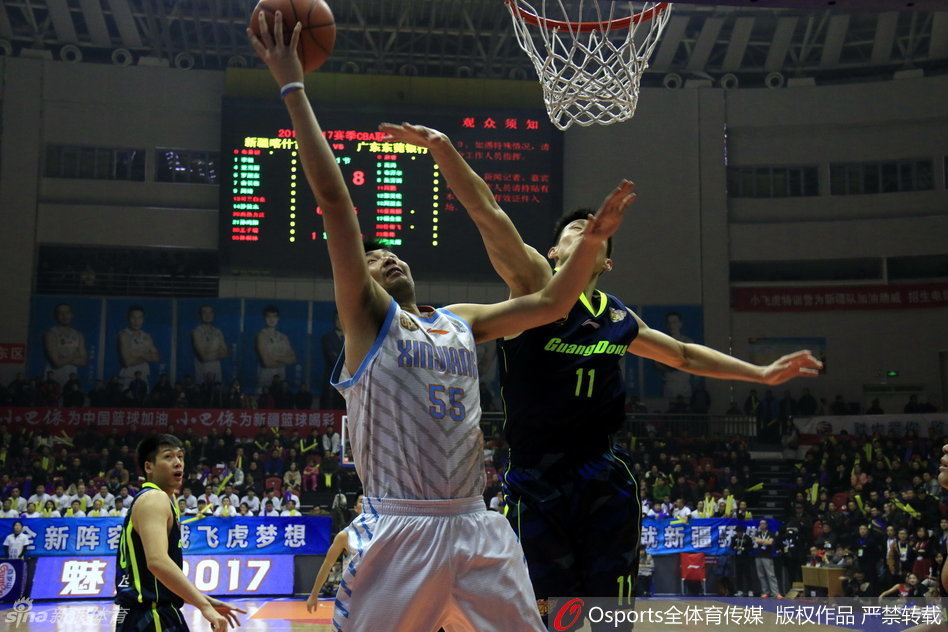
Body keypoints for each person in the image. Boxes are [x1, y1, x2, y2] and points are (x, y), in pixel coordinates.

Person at [248, 15, 633, 632]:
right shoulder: (370, 322)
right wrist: (292, 85)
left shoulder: (458, 321)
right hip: (399, 526)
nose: (387, 255)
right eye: (373, 258)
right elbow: (335, 203)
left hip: (477, 523)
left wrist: (592, 244)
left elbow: (553, 305)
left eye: (393, 251)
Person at [378, 121, 823, 613]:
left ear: (606, 260)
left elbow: (681, 354)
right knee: (553, 610)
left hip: (601, 472)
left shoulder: (616, 316)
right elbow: (488, 212)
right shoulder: (532, 284)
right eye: (574, 228)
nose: (584, 229)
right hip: (535, 476)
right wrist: (443, 149)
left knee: (613, 610)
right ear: (554, 252)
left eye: (594, 230)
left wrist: (759, 374)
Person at [115, 434, 245, 631]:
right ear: (149, 467)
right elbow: (157, 562)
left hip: (143, 614)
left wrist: (206, 600)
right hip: (153, 615)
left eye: (180, 457)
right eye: (168, 457)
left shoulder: (154, 499)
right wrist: (203, 606)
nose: (178, 463)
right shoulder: (154, 498)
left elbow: (156, 580)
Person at [306, 495, 362, 610]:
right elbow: (327, 565)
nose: (367, 504)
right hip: (351, 599)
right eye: (362, 501)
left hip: (375, 595)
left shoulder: (382, 534)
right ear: (355, 508)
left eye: (369, 501)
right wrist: (314, 594)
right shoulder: (345, 535)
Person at [43, 302, 89, 386]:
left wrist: (63, 358)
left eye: (67, 312)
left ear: (72, 315)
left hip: (71, 380)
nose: (64, 316)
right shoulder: (50, 334)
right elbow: (56, 363)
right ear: (56, 315)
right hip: (53, 380)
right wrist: (74, 356)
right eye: (61, 313)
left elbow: (83, 361)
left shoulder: (78, 335)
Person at [255, 305, 297, 391]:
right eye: (269, 316)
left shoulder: (283, 337)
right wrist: (284, 360)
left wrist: (276, 358)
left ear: (278, 318)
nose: (271, 319)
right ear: (264, 318)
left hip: (281, 376)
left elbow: (293, 359)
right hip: (266, 376)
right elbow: (267, 362)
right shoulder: (261, 336)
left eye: (274, 316)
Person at [118, 305, 160, 389]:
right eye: (133, 318)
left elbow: (156, 357)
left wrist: (138, 354)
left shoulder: (146, 336)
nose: (136, 321)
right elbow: (127, 362)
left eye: (140, 318)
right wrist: (146, 355)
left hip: (143, 376)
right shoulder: (124, 335)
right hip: (128, 378)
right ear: (128, 318)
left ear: (143, 319)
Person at [192, 304, 229, 386]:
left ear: (213, 314)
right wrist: (217, 352)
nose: (207, 316)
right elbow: (203, 357)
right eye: (204, 313)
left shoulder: (218, 332)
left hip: (216, 370)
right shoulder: (197, 331)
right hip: (202, 371)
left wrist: (208, 353)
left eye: (210, 313)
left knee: (216, 394)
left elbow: (225, 353)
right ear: (200, 315)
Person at [319, 311, 346, 410]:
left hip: (348, 379)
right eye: (337, 319)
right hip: (332, 377)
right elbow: (332, 357)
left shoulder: (352, 338)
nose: (339, 322)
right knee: (330, 405)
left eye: (342, 319)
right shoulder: (327, 338)